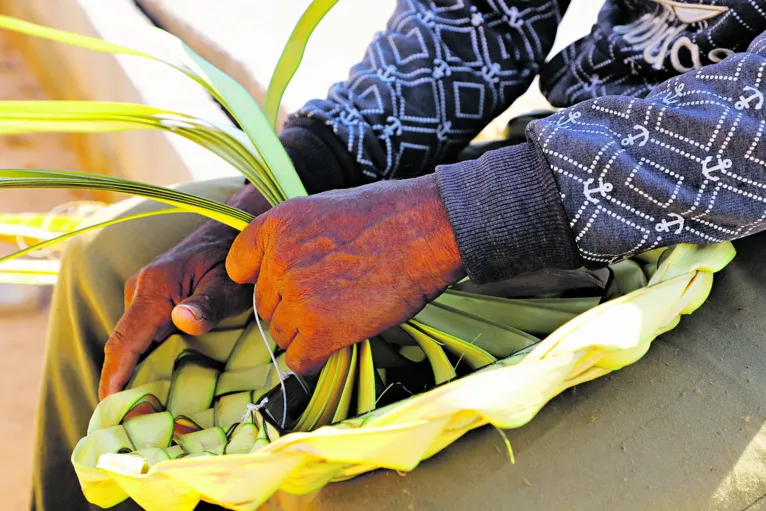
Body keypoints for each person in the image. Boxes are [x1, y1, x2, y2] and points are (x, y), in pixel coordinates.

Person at [33, 1, 766, 509]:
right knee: (114, 265)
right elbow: (477, 21)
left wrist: (447, 222)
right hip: (590, 134)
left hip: (747, 215)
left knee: (398, 494)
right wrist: (303, 176)